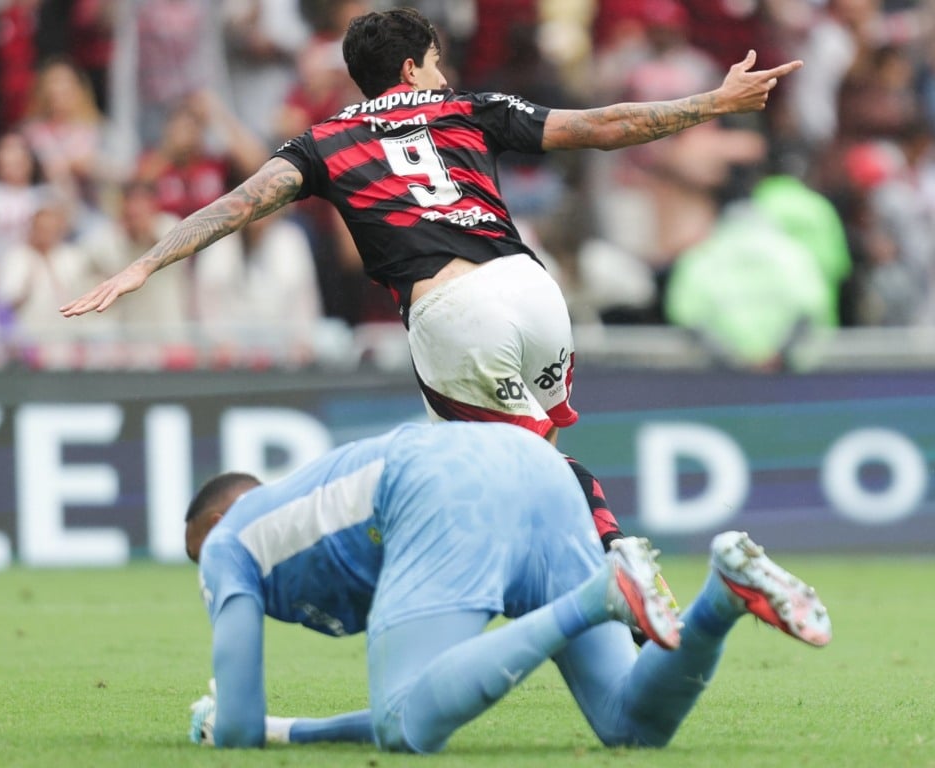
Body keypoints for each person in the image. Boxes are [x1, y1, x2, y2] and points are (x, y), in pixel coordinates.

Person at [62, 7, 802, 548]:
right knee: (522, 456)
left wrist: (144, 262)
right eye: (437, 62)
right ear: (412, 69)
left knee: (526, 466)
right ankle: (569, 587)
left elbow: (236, 205)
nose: (442, 73)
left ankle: (616, 558)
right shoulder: (471, 109)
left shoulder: (323, 143)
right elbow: (604, 125)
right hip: (532, 291)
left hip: (456, 311)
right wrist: (713, 102)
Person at [181, 421, 832, 751]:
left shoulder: (228, 542)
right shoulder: (301, 510)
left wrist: (230, 722)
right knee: (630, 724)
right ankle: (722, 594)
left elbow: (236, 730)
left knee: (403, 726)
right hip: (539, 466)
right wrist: (288, 730)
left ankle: (602, 594)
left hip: (444, 483)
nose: (202, 572)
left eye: (196, 557)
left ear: (212, 523)